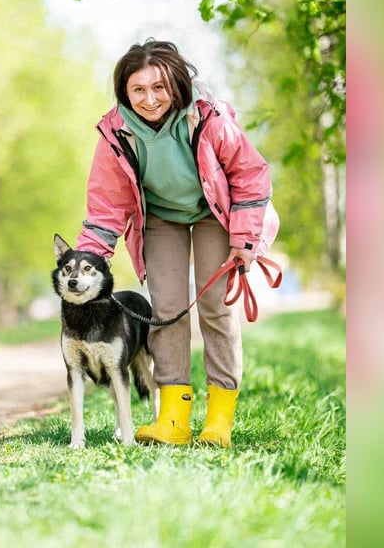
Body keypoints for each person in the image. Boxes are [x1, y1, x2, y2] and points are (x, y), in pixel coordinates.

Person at [75, 39, 279, 447]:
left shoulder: (209, 118)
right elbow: (105, 206)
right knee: (166, 311)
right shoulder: (115, 134)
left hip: (215, 212)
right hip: (161, 217)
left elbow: (250, 174)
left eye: (159, 88)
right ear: (125, 92)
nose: (149, 99)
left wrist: (244, 238)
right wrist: (90, 263)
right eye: (138, 90)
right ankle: (173, 419)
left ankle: (218, 421)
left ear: (176, 86)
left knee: (216, 308)